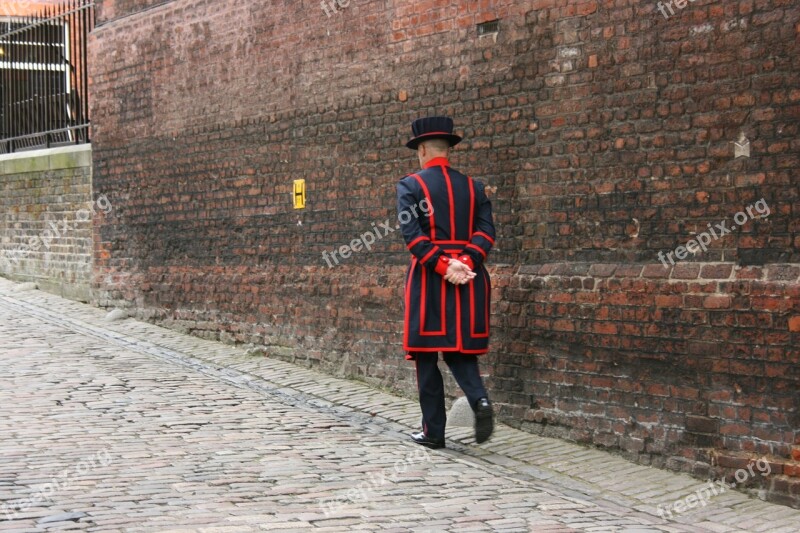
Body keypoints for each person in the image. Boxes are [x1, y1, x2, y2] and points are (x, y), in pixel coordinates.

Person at [396, 116, 496, 449]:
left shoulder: (410, 186)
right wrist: (464, 262)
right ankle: (479, 400)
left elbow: (414, 238)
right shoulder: (474, 187)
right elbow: (486, 232)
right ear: (448, 150)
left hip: (429, 280)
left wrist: (443, 266)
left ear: (422, 149)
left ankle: (434, 432)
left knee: (426, 357)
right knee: (460, 352)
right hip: (469, 279)